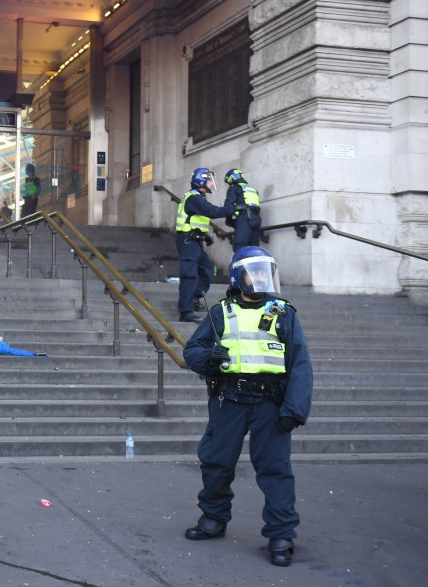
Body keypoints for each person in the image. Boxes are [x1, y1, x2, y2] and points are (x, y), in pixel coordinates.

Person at [182, 246, 312, 568]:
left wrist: (295, 409)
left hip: (269, 404)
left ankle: (281, 534)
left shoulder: (284, 313)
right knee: (216, 461)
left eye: (264, 272)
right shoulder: (221, 312)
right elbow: (192, 350)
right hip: (229, 400)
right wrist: (208, 360)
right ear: (239, 276)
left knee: (275, 470)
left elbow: (301, 365)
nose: (259, 278)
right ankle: (213, 518)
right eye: (253, 272)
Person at [174, 167, 231, 322]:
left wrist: (205, 236)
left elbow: (195, 220)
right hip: (188, 241)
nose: (212, 183)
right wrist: (230, 209)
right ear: (202, 180)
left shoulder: (199, 197)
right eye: (210, 180)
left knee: (205, 269)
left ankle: (194, 298)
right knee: (190, 275)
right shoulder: (194, 198)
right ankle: (186, 311)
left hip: (195, 240)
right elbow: (211, 211)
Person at [223, 169, 262, 251]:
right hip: (256, 219)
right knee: (254, 247)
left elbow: (229, 206)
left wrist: (228, 220)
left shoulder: (234, 188)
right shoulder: (253, 189)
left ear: (231, 179)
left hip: (244, 218)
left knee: (239, 246)